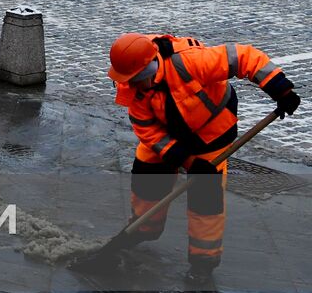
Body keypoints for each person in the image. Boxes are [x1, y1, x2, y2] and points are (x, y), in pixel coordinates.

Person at [108, 32, 300, 280]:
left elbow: (244, 57)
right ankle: (142, 228)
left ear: (148, 69)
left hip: (210, 131)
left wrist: (281, 90)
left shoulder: (189, 61)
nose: (131, 85)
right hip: (168, 133)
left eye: (136, 79)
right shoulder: (131, 86)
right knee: (147, 172)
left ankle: (203, 261)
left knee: (205, 196)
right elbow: (148, 131)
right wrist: (187, 161)